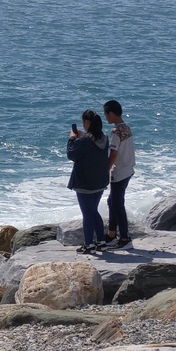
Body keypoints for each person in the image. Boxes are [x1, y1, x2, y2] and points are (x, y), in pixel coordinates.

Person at [67, 109, 110, 254]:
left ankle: (89, 244)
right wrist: (81, 137)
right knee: (93, 211)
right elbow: (91, 145)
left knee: (87, 213)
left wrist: (72, 138)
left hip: (85, 182)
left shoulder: (84, 141)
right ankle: (101, 242)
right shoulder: (104, 138)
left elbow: (71, 154)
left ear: (87, 122)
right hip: (100, 181)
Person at [103, 100, 134, 250]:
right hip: (128, 169)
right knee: (112, 201)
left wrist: (105, 171)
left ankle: (124, 238)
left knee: (117, 203)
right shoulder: (126, 127)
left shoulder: (116, 132)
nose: (105, 117)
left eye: (106, 114)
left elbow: (113, 154)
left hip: (120, 171)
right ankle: (111, 233)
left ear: (111, 113)